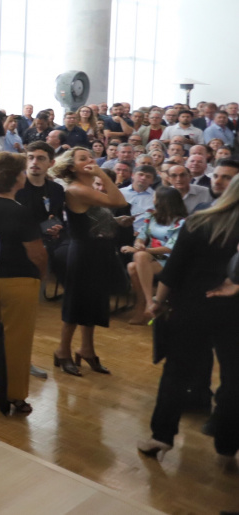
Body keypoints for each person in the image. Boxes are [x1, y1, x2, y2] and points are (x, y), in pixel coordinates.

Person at [139, 177, 239, 468]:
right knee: (235, 381)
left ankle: (161, 437)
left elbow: (174, 270)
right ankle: (227, 448)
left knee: (176, 373)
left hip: (191, 305)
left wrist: (157, 302)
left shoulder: (198, 221)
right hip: (233, 311)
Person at [0, 153, 47, 414]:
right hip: (18, 282)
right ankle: (14, 394)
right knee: (16, 339)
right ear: (16, 178)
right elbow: (36, 254)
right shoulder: (19, 212)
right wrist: (43, 275)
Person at [48, 147, 128, 377]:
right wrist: (103, 174)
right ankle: (62, 351)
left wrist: (114, 222)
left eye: (91, 157)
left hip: (98, 250)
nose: (90, 160)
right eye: (83, 159)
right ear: (72, 167)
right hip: (83, 252)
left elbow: (93, 218)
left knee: (93, 302)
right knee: (76, 303)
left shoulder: (88, 188)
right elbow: (118, 199)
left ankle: (86, 349)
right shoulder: (76, 188)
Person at [121, 186, 187, 325]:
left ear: (163, 201)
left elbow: (170, 249)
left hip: (170, 260)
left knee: (136, 262)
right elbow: (142, 235)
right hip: (150, 257)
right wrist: (139, 244)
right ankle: (149, 303)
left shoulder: (181, 222)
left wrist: (140, 251)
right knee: (133, 265)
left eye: (155, 197)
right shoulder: (151, 216)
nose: (153, 199)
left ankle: (146, 305)